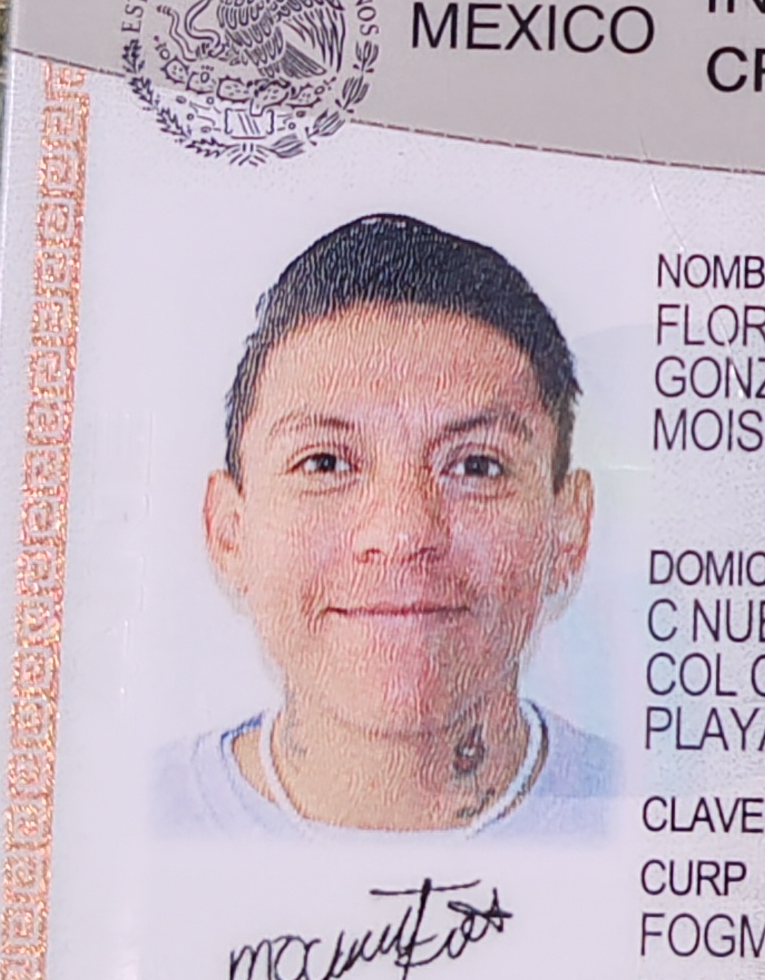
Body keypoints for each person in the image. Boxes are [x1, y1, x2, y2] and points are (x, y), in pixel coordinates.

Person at [156, 212, 618, 840]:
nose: (403, 532)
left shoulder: (663, 821)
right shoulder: (124, 823)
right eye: (325, 463)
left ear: (569, 529)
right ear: (229, 532)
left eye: (476, 465)